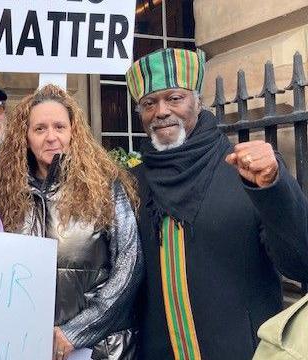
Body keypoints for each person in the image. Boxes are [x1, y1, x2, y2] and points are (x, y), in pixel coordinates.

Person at [126, 48, 308, 360]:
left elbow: (301, 263)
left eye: (174, 98)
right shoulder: (132, 185)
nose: (161, 111)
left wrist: (274, 188)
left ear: (197, 101)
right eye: (149, 103)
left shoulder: (246, 171)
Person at [0, 84, 143, 359]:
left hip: (98, 349)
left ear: (74, 132)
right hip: (28, 346)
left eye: (59, 127)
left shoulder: (106, 186)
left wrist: (76, 331)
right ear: (25, 136)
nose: (51, 137)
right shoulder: (6, 194)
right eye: (40, 129)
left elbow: (129, 266)